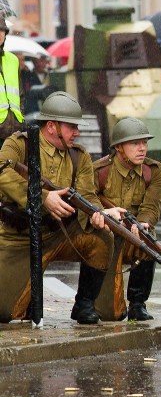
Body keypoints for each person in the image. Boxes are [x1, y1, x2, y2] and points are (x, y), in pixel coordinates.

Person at [0, 92, 123, 324]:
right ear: (50, 126)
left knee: (101, 237)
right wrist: (42, 197)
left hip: (58, 234)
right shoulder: (19, 145)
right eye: (71, 127)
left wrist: (100, 213)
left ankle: (85, 305)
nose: (77, 132)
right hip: (18, 238)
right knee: (5, 312)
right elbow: (0, 171)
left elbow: (88, 195)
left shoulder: (79, 156)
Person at [92, 118, 161, 321]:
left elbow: (151, 206)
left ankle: (137, 303)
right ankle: (89, 300)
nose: (142, 148)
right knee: (110, 314)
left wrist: (143, 224)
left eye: (144, 143)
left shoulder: (154, 171)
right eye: (135, 143)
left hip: (132, 233)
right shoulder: (100, 171)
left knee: (148, 239)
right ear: (119, 148)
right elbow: (88, 202)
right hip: (106, 237)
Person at [0, 18, 23, 142]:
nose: (0, 34)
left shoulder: (13, 60)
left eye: (2, 30)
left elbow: (20, 94)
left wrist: (21, 120)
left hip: (14, 131)